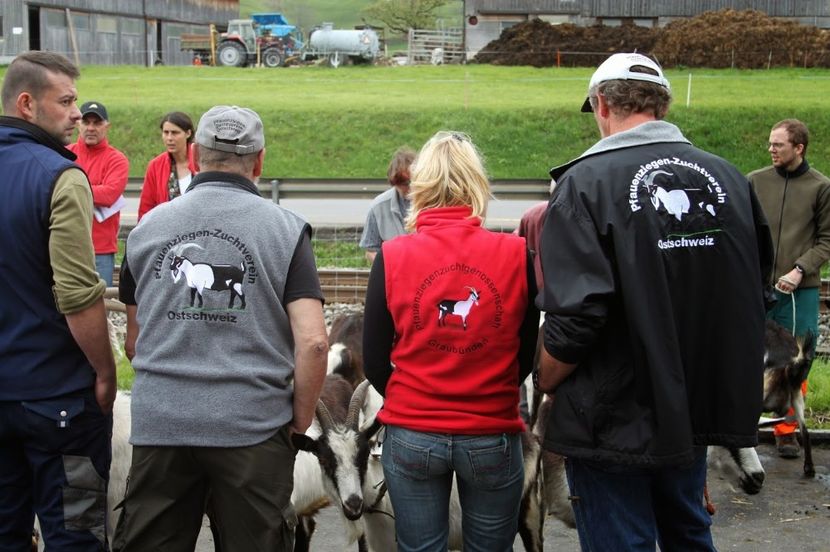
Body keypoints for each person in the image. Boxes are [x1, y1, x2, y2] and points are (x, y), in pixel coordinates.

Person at [534, 53, 774, 551]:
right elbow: (755, 292)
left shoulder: (584, 184)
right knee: (688, 532)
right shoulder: (731, 180)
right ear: (662, 105)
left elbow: (575, 318)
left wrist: (546, 378)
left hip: (612, 418)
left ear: (601, 104)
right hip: (693, 410)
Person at [114, 105, 328, 551]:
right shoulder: (286, 231)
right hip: (252, 428)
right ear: (260, 160)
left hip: (162, 428)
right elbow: (312, 342)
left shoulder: (146, 229)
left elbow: (134, 342)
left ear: (194, 156)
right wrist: (299, 420)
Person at [363, 131, 540, 552]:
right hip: (491, 431)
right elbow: (527, 352)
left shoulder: (393, 255)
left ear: (421, 186)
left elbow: (372, 359)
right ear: (477, 184)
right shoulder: (517, 253)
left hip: (412, 430)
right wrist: (487, 389)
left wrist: (416, 394)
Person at [0, 50, 116, 550]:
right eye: (66, 101)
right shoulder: (61, 176)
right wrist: (105, 371)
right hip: (58, 401)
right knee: (76, 536)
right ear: (27, 104)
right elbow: (77, 293)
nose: (76, 113)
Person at [748, 119, 830, 458]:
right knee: (750, 355)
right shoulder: (754, 181)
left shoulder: (820, 187)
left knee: (797, 357)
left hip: (800, 290)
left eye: (778, 144)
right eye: (770, 143)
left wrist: (800, 269)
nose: (771, 149)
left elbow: (827, 240)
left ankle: (785, 429)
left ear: (799, 148)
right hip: (757, 286)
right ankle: (743, 427)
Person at [67, 100, 129, 286]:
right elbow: (52, 191)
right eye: (86, 122)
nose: (91, 128)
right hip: (66, 245)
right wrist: (95, 191)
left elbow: (109, 195)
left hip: (100, 248)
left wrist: (71, 189)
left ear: (107, 126)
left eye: (97, 123)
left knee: (101, 306)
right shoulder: (64, 154)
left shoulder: (117, 160)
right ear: (78, 124)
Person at [137, 110, 197, 220]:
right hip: (167, 231)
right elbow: (146, 207)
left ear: (188, 133)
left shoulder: (202, 161)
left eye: (175, 133)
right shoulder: (156, 166)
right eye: (166, 132)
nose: (169, 138)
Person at [359, 146, 415, 262]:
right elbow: (371, 250)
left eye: (411, 183)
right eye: (402, 184)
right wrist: (389, 267)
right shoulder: (378, 207)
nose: (408, 188)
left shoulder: (435, 202)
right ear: (393, 181)